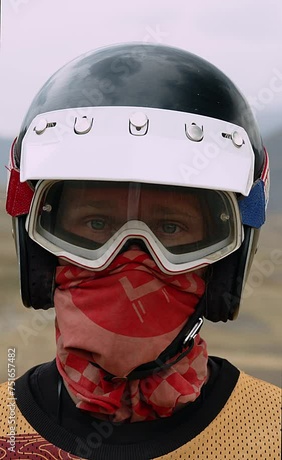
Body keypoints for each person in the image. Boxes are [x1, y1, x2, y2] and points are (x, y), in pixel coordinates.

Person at [0, 43, 280, 459]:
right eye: (96, 225)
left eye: (171, 228)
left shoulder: (272, 432)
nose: (131, 260)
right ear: (38, 249)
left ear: (227, 263)